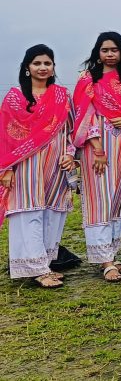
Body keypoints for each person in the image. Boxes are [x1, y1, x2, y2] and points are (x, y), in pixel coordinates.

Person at [72, 31, 121, 282]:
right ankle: (105, 260)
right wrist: (98, 149)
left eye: (114, 50)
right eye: (105, 50)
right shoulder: (87, 79)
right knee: (100, 199)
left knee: (118, 199)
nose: (110, 54)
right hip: (98, 147)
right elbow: (83, 115)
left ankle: (113, 254)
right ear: (98, 53)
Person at [0, 45, 76, 288]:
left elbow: (71, 131)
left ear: (53, 67)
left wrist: (69, 154)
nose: (43, 68)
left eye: (47, 63)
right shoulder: (15, 98)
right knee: (28, 212)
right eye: (37, 63)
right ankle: (37, 269)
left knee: (52, 213)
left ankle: (45, 263)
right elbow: (5, 136)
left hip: (56, 166)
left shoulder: (62, 96)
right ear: (27, 67)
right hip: (25, 165)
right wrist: (6, 168)